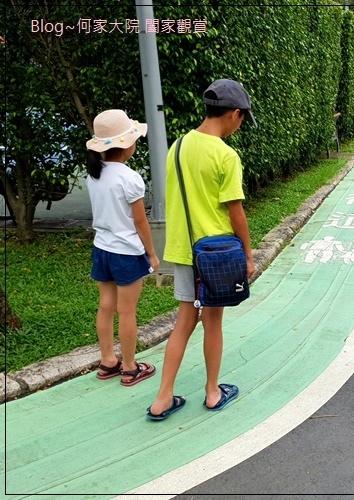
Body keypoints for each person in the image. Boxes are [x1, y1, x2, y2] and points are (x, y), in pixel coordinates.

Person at [146, 79, 256, 421]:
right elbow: (235, 213)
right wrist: (249, 256)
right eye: (242, 120)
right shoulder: (226, 155)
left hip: (184, 251)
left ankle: (163, 398)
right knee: (213, 322)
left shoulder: (177, 146)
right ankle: (212, 392)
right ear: (235, 114)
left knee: (184, 321)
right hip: (218, 255)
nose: (240, 126)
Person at [86, 109, 159, 386]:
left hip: (101, 249)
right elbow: (140, 222)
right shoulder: (130, 178)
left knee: (106, 307)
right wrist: (151, 254)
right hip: (127, 252)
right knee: (127, 312)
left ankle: (108, 361)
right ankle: (130, 367)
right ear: (127, 144)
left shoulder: (94, 174)